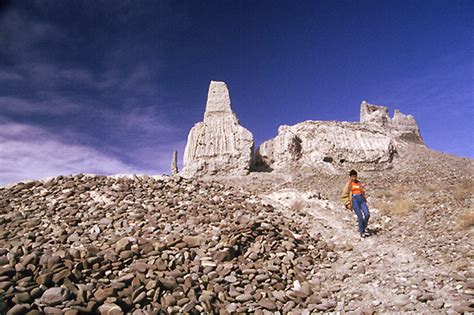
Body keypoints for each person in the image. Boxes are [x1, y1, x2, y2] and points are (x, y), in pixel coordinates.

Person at [341, 169, 370, 238]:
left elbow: (362, 191)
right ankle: (362, 232)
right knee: (360, 216)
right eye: (352, 176)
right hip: (354, 201)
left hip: (362, 200)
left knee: (367, 214)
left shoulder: (359, 183)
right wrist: (347, 203)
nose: (354, 178)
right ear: (350, 177)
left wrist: (364, 197)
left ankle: (364, 227)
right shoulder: (349, 184)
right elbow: (344, 195)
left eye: (355, 176)